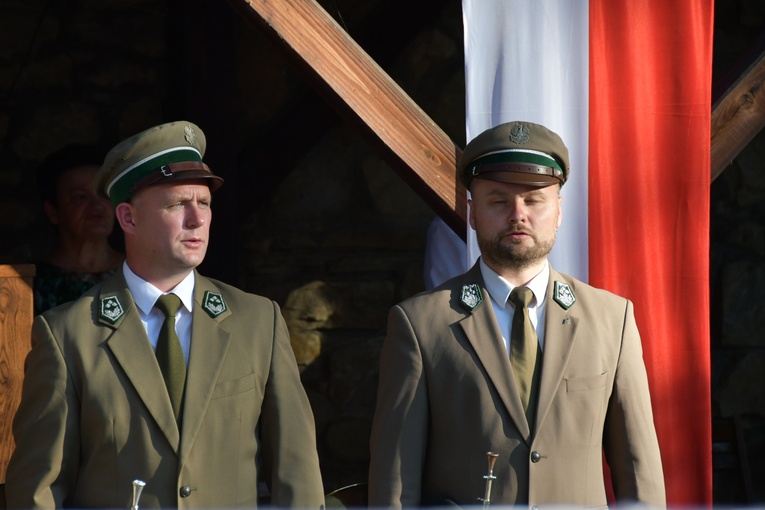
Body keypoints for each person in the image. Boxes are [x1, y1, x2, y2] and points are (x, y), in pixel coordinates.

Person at [6, 121, 325, 509]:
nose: (198, 219)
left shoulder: (258, 321)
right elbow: (36, 490)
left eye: (204, 203)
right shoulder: (68, 334)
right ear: (128, 218)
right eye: (177, 204)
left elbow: (297, 476)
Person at [368, 121, 665, 507]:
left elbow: (640, 476)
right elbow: (395, 483)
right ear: (472, 213)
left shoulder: (612, 320)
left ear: (559, 210)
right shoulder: (420, 325)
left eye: (534, 200)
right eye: (498, 200)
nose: (517, 214)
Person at [32, 143, 124, 314]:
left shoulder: (138, 272)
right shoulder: (33, 282)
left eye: (103, 195)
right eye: (80, 197)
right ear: (53, 211)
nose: (97, 205)